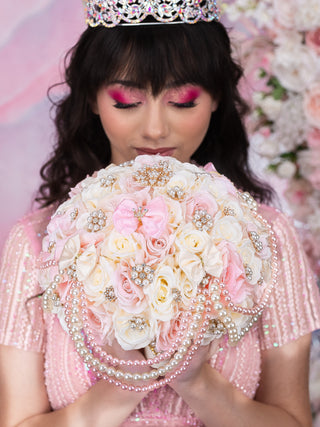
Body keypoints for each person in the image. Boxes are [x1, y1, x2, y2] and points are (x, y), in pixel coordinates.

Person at [0, 1, 320, 426]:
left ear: (215, 99)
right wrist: (123, 383)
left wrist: (197, 383)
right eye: (127, 101)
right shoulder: (38, 243)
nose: (154, 129)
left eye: (182, 102)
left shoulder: (266, 237)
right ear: (94, 100)